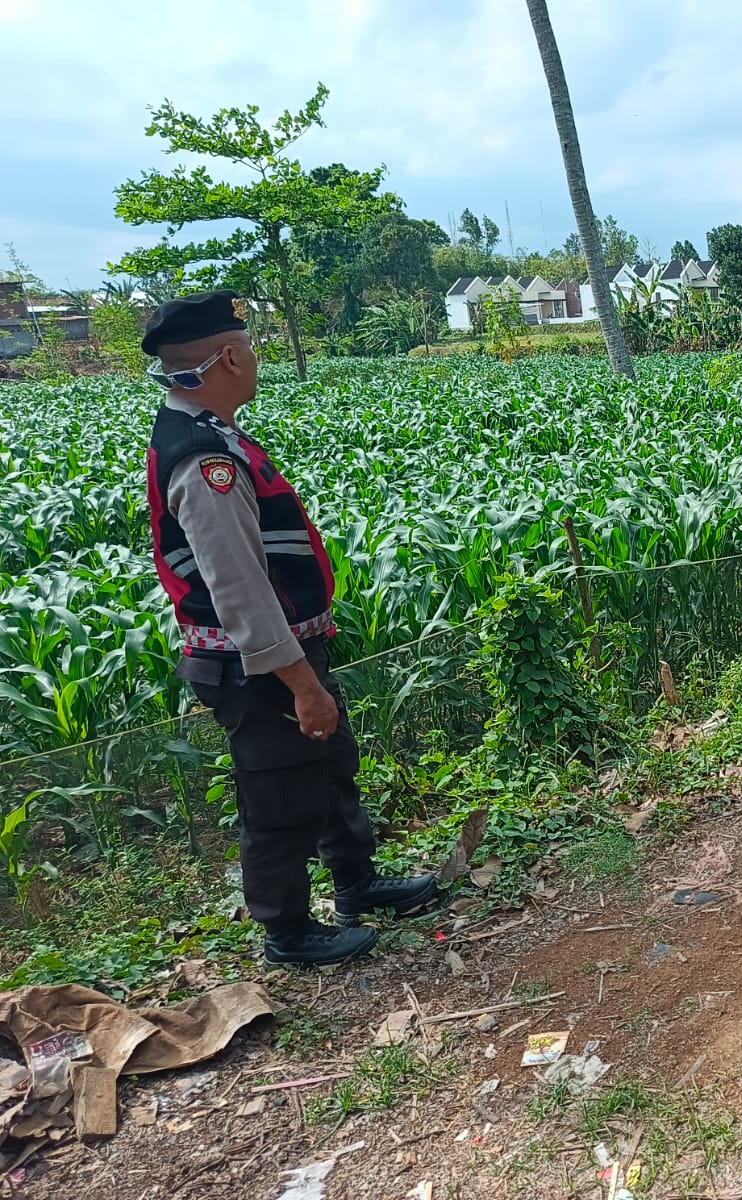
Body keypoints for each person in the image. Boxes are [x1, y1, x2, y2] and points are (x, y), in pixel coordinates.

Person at [143, 291, 436, 967]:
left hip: (283, 654)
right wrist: (301, 683)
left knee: (330, 770)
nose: (255, 358)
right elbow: (239, 590)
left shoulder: (215, 434)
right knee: (278, 798)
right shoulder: (201, 459)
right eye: (248, 347)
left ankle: (357, 884)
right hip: (258, 667)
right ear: (228, 358)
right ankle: (288, 931)